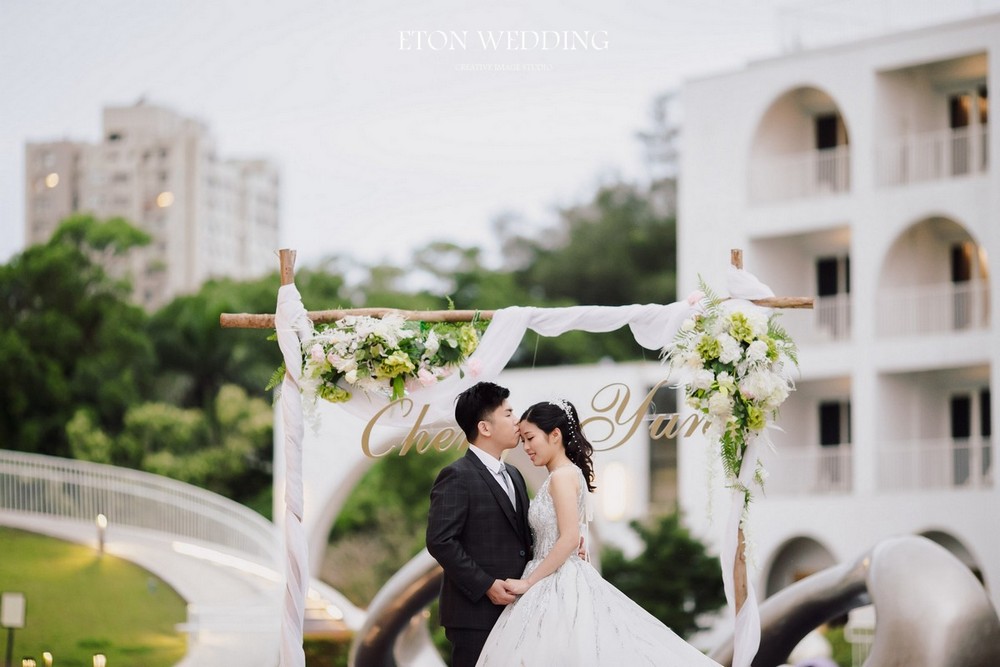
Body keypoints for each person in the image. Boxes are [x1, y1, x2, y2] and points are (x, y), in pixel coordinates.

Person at [476, 399, 723, 667]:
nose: (525, 447)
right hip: (555, 574)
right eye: (523, 440)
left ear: (555, 435)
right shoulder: (566, 474)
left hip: (553, 580)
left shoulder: (561, 477)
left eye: (530, 438)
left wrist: (528, 583)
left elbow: (569, 538)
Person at [426, 381, 533, 667]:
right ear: (485, 427)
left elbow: (523, 537)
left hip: (518, 609)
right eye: (508, 413)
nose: (517, 420)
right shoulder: (456, 475)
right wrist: (486, 585)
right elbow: (440, 541)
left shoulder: (514, 474)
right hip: (474, 617)